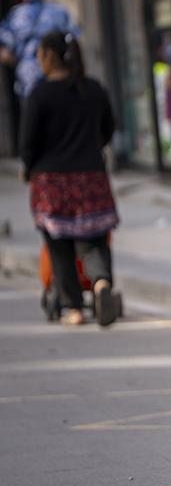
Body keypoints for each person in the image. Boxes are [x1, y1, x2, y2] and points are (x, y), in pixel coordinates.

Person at [21, 31, 119, 327]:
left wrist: (29, 168)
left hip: (52, 182)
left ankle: (73, 308)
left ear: (49, 56)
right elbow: (108, 128)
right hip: (91, 177)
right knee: (94, 241)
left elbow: (27, 142)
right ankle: (101, 283)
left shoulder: (40, 95)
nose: (39, 61)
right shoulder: (93, 89)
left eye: (39, 55)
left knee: (59, 245)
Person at [0, 0, 79, 101]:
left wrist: (21, 60)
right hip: (60, 82)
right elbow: (75, 43)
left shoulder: (15, 17)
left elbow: (5, 53)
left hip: (29, 84)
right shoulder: (60, 12)